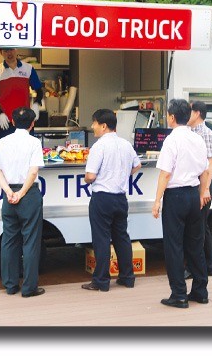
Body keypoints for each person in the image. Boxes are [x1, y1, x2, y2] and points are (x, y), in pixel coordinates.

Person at [152, 99, 209, 309]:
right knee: (195, 245)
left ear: (172, 117)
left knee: (174, 246)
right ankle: (200, 291)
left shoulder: (171, 140)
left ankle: (179, 294)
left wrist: (157, 200)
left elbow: (165, 173)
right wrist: (202, 193)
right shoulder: (198, 140)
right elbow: (205, 171)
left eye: (168, 114)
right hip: (194, 195)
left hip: (175, 196)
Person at [81, 109, 142, 292]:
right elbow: (137, 165)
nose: (93, 127)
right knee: (122, 238)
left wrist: (87, 179)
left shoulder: (99, 147)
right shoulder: (125, 144)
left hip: (102, 198)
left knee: (101, 239)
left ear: (103, 125)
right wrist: (123, 176)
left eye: (94, 123)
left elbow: (90, 176)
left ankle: (101, 281)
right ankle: (127, 277)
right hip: (120, 198)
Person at [0, 107, 45, 298]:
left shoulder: (2, 142)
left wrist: (9, 192)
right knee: (30, 241)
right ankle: (29, 288)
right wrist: (21, 193)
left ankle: (10, 285)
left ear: (13, 122)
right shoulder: (34, 143)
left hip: (8, 195)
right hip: (28, 195)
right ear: (32, 124)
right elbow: (33, 172)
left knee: (9, 240)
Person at [184, 100, 212, 279]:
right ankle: (208, 266)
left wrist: (205, 190)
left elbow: (210, 164)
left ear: (196, 113)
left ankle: (195, 267)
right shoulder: (190, 132)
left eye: (188, 111)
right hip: (196, 183)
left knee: (196, 227)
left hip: (203, 184)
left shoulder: (205, 133)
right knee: (200, 226)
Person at [0, 47, 44, 141]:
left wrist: (37, 103)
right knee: (5, 152)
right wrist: (0, 113)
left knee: (27, 151)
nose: (9, 53)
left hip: (26, 121)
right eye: (6, 51)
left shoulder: (28, 69)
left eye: (12, 50)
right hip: (6, 121)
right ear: (0, 52)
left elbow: (39, 90)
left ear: (16, 49)